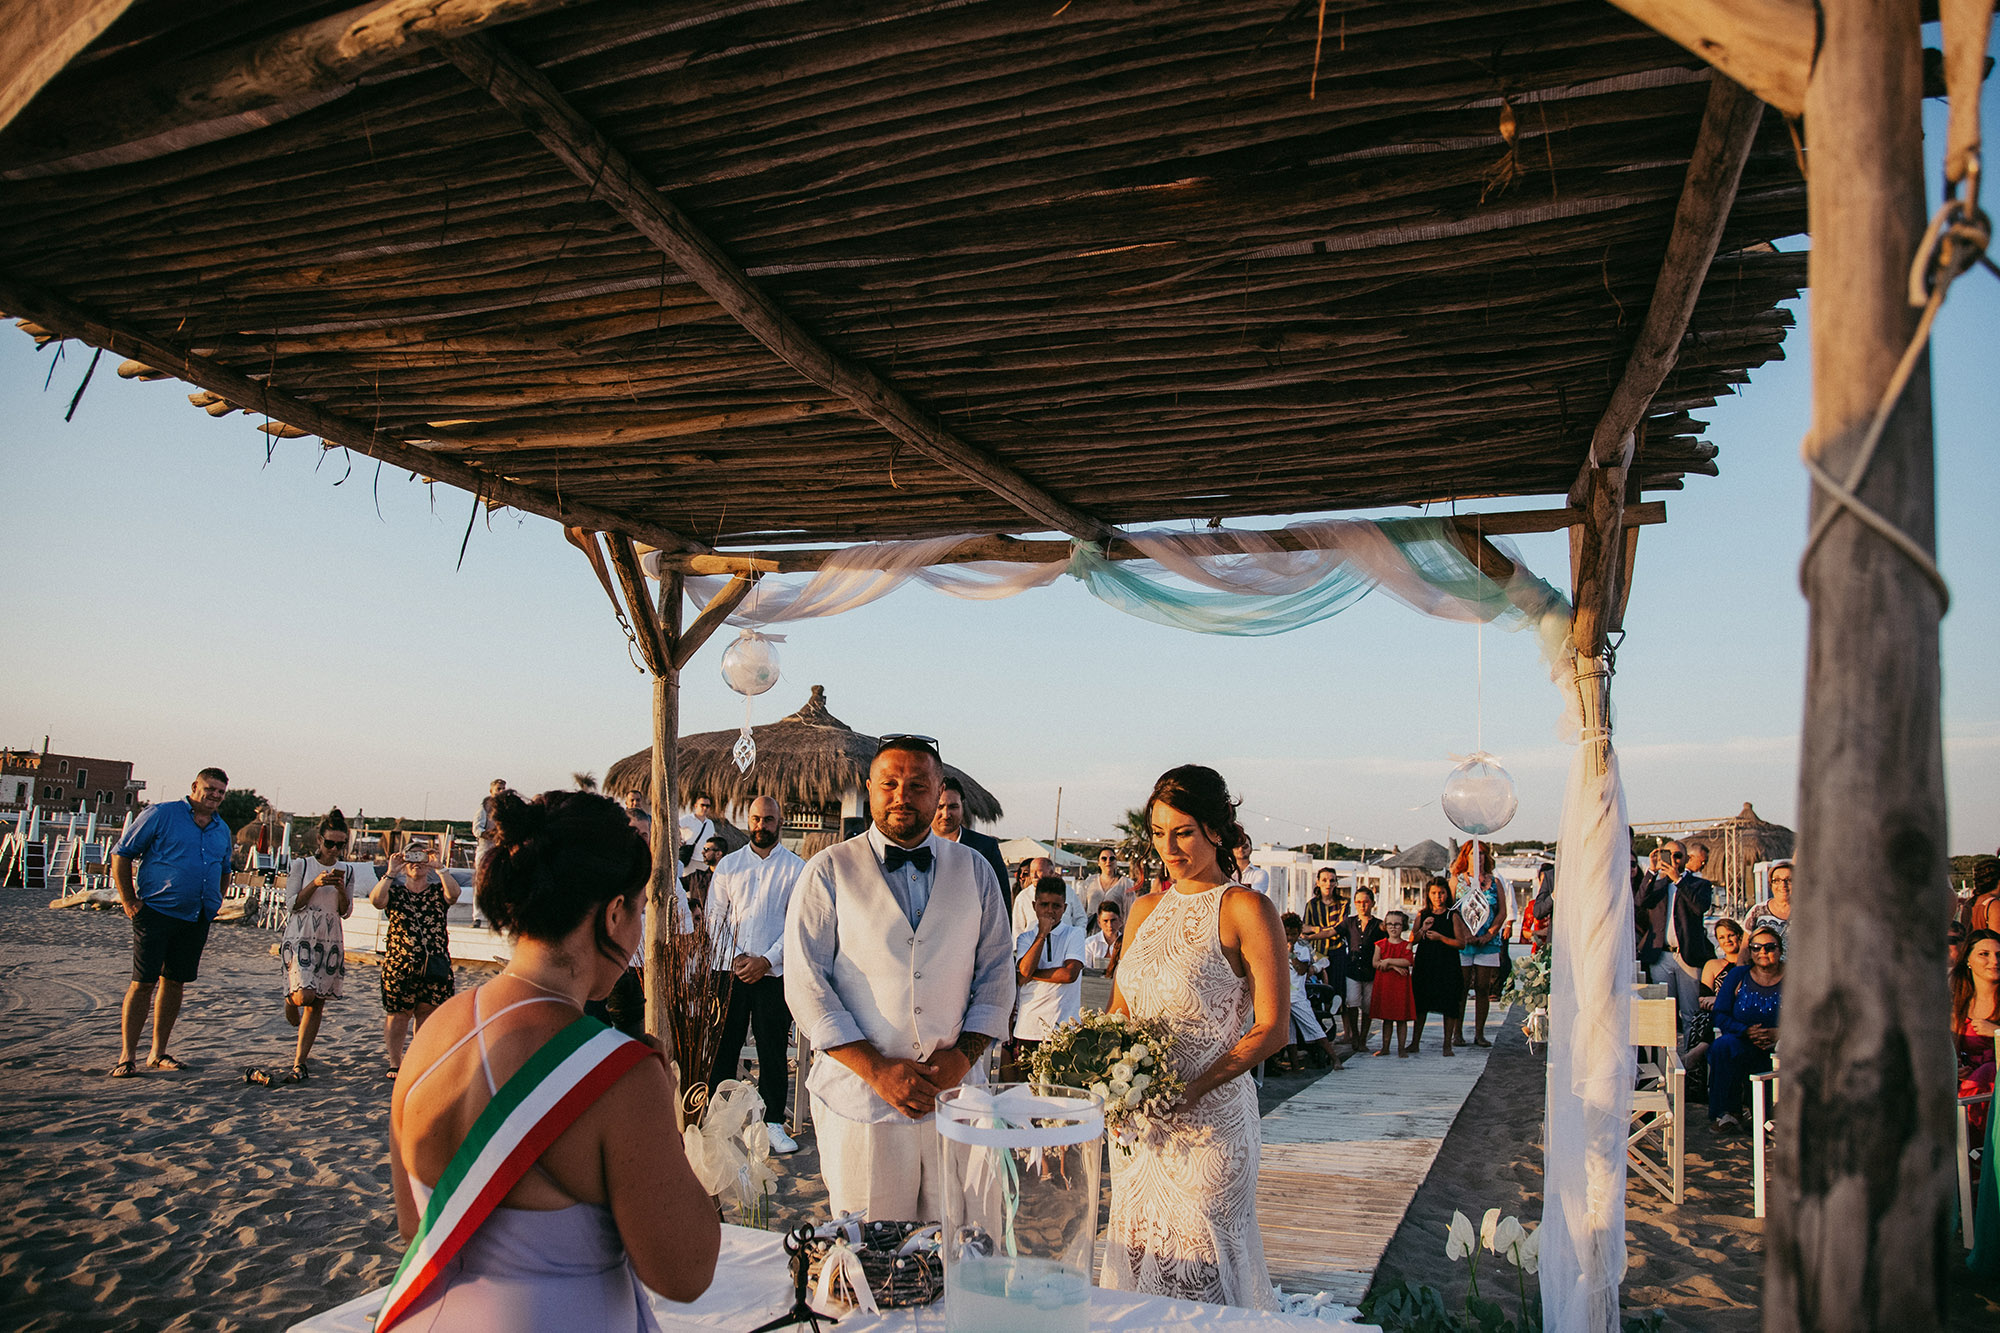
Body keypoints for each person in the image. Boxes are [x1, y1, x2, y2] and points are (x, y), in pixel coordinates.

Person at [385, 789, 717, 1330]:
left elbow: (411, 1220)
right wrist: (668, 1121)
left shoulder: (434, 1030)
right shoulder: (618, 1075)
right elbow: (685, 1272)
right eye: (640, 910)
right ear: (614, 914)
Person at [784, 734, 1014, 1221]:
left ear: (939, 792)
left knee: (962, 1243)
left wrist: (961, 1059)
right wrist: (876, 1070)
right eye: (889, 783)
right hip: (860, 1100)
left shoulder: (975, 871)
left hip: (956, 1098)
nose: (901, 796)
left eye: (917, 785)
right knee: (871, 1252)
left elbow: (996, 974)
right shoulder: (828, 870)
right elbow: (806, 984)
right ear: (870, 788)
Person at [1102, 764, 1286, 1309]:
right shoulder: (1142, 909)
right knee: (1138, 1258)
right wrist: (1106, 1079)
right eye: (1159, 834)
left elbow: (1273, 1028)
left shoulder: (1246, 908)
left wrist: (1193, 1089)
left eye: (1182, 831)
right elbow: (1119, 1010)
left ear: (1216, 828)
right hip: (1138, 1128)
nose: (1169, 847)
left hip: (1211, 1127)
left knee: (1205, 1272)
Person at [109, 767, 233, 1078]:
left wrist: (215, 902)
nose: (215, 795)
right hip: (156, 912)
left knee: (175, 982)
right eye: (210, 788)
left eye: (221, 791)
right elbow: (122, 854)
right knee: (143, 982)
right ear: (195, 786)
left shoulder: (221, 829)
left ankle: (158, 1052)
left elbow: (225, 869)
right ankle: (127, 1056)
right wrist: (129, 901)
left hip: (197, 916)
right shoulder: (162, 814)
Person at [706, 795, 806, 1155]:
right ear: (747, 821)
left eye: (767, 819)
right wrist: (735, 958)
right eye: (755, 819)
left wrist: (765, 961)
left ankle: (773, 1123)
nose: (760, 825)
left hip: (773, 974)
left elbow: (797, 922)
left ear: (780, 822)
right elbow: (714, 916)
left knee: (773, 1050)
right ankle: (715, 1120)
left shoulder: (797, 868)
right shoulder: (729, 866)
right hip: (729, 970)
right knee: (723, 1047)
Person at [248, 810, 355, 1085]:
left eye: (340, 845)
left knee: (317, 1002)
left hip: (330, 937)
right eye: (330, 843)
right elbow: (292, 904)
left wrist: (341, 888)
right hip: (301, 934)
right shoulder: (302, 865)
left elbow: (345, 912)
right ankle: (289, 997)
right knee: (304, 996)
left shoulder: (349, 870)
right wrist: (316, 883)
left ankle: (300, 1062)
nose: (334, 850)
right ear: (320, 839)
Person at [371, 838, 462, 1079]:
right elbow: (376, 900)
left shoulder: (436, 892)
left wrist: (439, 867)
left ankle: (418, 1059)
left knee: (427, 1013)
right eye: (411, 858)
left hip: (434, 964)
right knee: (397, 1014)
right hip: (400, 965)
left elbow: (454, 895)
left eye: (421, 857)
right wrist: (391, 872)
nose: (416, 863)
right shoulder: (395, 892)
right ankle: (395, 1062)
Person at [1709, 926, 1784, 1131]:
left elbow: (1808, 1017)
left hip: (1782, 1046)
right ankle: (1727, 1112)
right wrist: (1746, 1030)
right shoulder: (1738, 975)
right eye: (1756, 948)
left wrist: (1780, 1032)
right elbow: (1720, 1014)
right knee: (1723, 1046)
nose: (1763, 952)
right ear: (1750, 952)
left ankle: (1770, 1117)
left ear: (1780, 950)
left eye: (1769, 947)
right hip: (1744, 1040)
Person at [1012, 876, 1087, 1075]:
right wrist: (1042, 934)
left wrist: (1029, 975)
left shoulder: (1075, 934)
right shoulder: (1026, 938)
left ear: (1065, 907)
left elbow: (1069, 973)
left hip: (1064, 1029)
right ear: (1034, 906)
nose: (1050, 911)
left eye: (1056, 905)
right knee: (1026, 1093)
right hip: (1029, 1029)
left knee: (1059, 1096)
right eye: (1044, 905)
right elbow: (1026, 969)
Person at [1454, 843, 1508, 1048]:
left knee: (1483, 987)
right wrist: (1465, 934)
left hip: (1488, 941)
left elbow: (1502, 911)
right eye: (1473, 854)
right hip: (1464, 941)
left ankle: (1479, 1033)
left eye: (1482, 855)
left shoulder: (1495, 882)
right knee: (1462, 987)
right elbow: (1453, 910)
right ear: (1465, 857)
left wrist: (1489, 934)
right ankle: (1457, 1032)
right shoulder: (1458, 881)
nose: (1478, 858)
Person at [1279, 913, 1345, 1071]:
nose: (1289, 937)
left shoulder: (1302, 949)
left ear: (1299, 932)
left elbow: (1302, 970)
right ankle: (1295, 1066)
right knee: (1290, 1034)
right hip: (1282, 997)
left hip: (1298, 997)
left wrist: (1291, 954)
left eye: (1293, 934)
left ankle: (1335, 1059)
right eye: (1286, 933)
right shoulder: (1275, 945)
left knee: (1314, 1028)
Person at [1952, 929, 1999, 1147]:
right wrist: (1955, 1067)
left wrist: (1996, 1033)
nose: (1994, 961)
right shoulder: (1959, 1003)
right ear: (1968, 959)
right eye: (1984, 954)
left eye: (1999, 954)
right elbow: (1949, 1051)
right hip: (1971, 1094)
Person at [1412, 876, 1466, 1056]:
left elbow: (1461, 943)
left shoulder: (1453, 915)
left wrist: (1441, 938)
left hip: (1447, 962)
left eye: (1441, 893)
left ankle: (1447, 1044)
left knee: (1449, 1004)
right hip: (1425, 962)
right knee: (1421, 1003)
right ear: (1428, 894)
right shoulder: (1423, 914)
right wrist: (1423, 929)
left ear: (1446, 894)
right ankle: (1414, 1042)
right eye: (1434, 893)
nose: (1438, 897)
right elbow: (1412, 940)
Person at [932, 776, 1011, 896]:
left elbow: (1001, 896)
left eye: (953, 807)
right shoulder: (913, 846)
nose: (946, 814)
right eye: (940, 807)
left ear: (962, 805)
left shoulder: (986, 847)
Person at [1341, 887, 1385, 1052]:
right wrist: (1310, 934)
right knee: (1352, 1002)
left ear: (1372, 903)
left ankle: (1364, 1038)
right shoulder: (1350, 922)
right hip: (1352, 969)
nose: (1362, 905)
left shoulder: (1379, 925)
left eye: (1366, 902)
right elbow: (1332, 932)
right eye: (1359, 902)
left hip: (1371, 971)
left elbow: (1392, 939)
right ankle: (1355, 1035)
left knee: (1368, 1007)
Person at [1369, 912, 1417, 1056]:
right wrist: (1393, 966)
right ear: (1385, 926)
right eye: (1390, 924)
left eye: (1397, 924)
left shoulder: (1406, 944)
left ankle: (1401, 1048)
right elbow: (1375, 963)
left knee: (1401, 1018)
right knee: (1387, 1018)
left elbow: (1408, 961)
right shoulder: (1380, 944)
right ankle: (1385, 1047)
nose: (1393, 927)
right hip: (1385, 984)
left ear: (1403, 926)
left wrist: (1388, 961)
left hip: (1400, 985)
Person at [1009, 853, 1085, 931]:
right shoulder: (1023, 897)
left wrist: (1078, 936)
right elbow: (1017, 928)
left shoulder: (1068, 891)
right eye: (1032, 872)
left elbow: (1080, 918)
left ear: (1051, 872)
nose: (1034, 876)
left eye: (1039, 871)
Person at [1739, 860, 1794, 963]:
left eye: (1789, 880)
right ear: (1770, 884)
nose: (1783, 884)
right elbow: (1745, 950)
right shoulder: (1757, 911)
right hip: (1764, 975)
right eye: (1777, 880)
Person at [1083, 847, 1135, 920]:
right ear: (1098, 863)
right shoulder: (1089, 881)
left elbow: (1129, 913)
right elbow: (1081, 910)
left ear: (1116, 862)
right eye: (1104, 858)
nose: (1108, 861)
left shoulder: (1125, 884)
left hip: (1114, 929)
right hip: (1091, 929)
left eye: (1112, 858)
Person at [473, 778, 507, 869]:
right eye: (499, 789)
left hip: (501, 853)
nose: (502, 791)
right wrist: (493, 835)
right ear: (491, 791)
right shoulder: (484, 808)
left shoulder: (506, 809)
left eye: (503, 789)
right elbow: (477, 830)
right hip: (485, 851)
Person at [679, 793, 720, 868]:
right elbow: (672, 827)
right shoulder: (687, 819)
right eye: (702, 805)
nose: (705, 808)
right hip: (690, 860)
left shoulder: (710, 823)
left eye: (707, 806)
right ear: (696, 806)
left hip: (705, 861)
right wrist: (677, 840)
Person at [1085, 900, 1124, 975]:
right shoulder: (1090, 943)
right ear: (1099, 922)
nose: (1110, 925)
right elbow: (1085, 970)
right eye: (1105, 921)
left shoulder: (1126, 943)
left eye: (1113, 920)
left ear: (1120, 920)